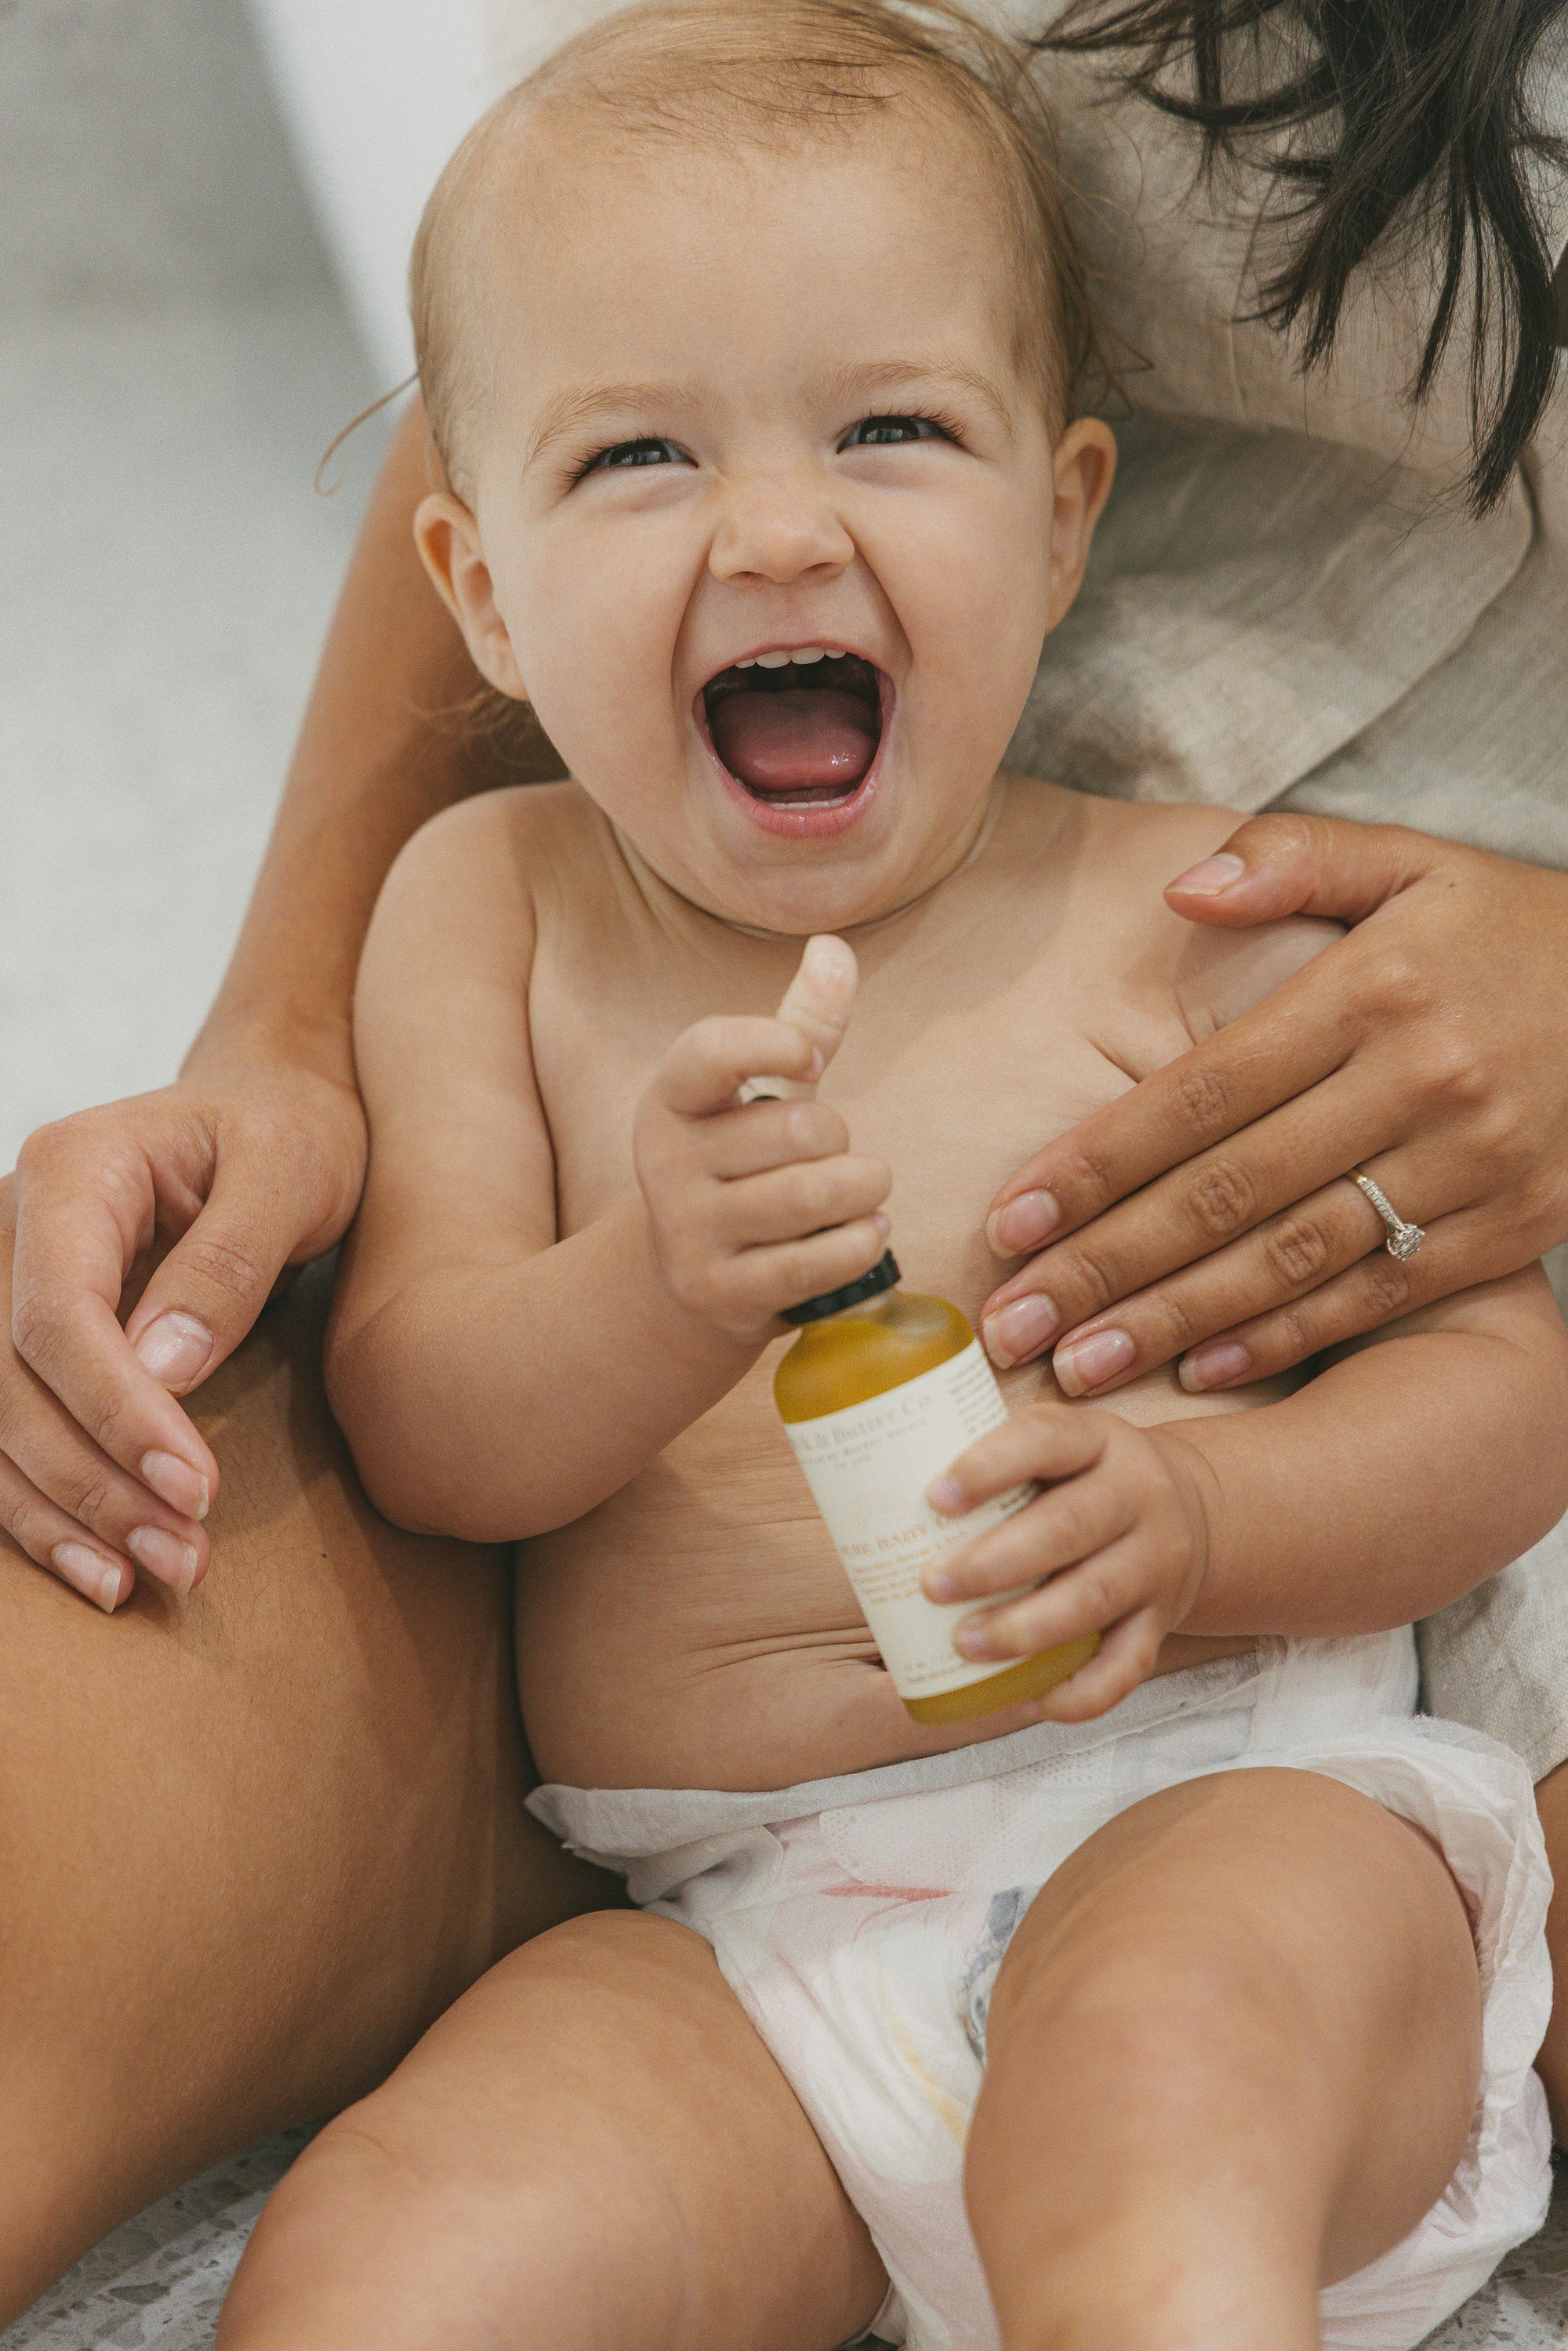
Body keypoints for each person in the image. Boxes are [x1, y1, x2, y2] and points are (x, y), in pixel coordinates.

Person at [0, 0, 1565, 2319]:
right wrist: (641, 1287)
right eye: (637, 457)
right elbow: (425, 1422)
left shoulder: (1192, 903)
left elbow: (1507, 1398)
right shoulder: (488, 920)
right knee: (392, 2256)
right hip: (725, 1914)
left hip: (1225, 1797)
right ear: (483, 591)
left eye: (892, 429)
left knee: (1149, 2116)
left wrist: (1215, 1522)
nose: (777, 523)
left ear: (1064, 522)